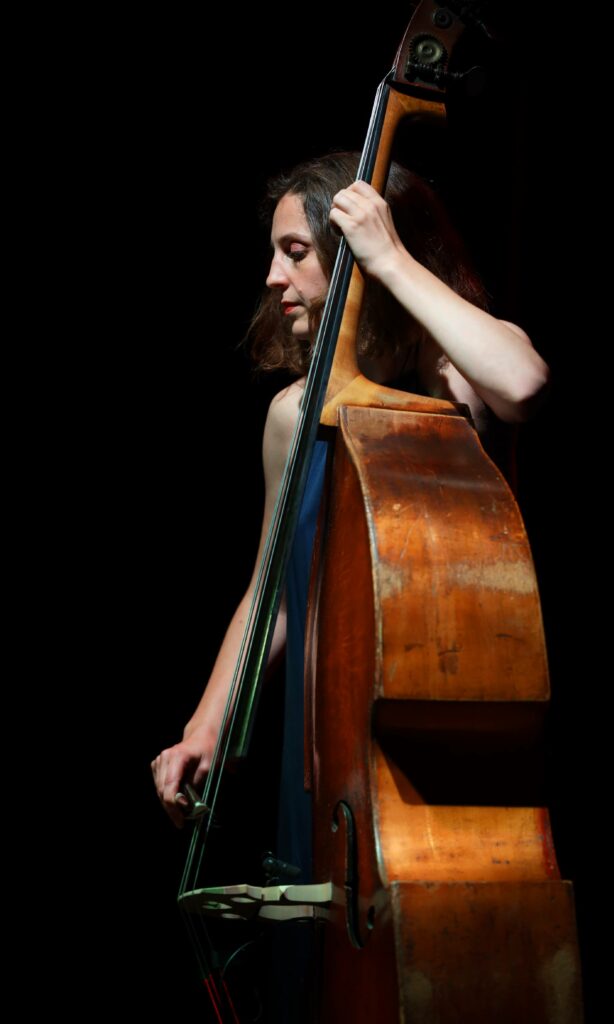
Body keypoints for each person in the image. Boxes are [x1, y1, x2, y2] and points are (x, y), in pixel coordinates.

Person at [151, 150, 549, 841]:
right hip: (324, 742)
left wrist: (389, 257)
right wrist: (206, 724)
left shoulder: (458, 379)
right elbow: (271, 591)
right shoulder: (291, 415)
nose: (273, 276)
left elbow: (521, 385)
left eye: (296, 252)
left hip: (442, 737)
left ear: (352, 255)